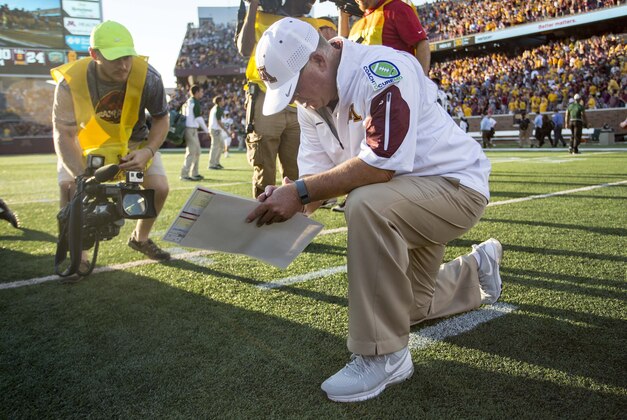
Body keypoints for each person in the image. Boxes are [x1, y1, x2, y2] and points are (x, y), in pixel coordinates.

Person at [246, 18, 503, 403]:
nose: (296, 100)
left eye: (295, 88)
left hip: (455, 188)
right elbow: (316, 180)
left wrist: (299, 193)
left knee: (364, 204)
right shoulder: (312, 106)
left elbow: (380, 164)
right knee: (407, 308)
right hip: (405, 201)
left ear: (318, 60)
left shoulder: (383, 69)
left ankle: (383, 355)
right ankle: (476, 268)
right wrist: (286, 200)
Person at [51, 20, 170, 261]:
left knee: (159, 188)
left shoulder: (149, 76)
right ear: (94, 54)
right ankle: (77, 254)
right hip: (86, 143)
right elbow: (63, 133)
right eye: (115, 58)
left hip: (133, 142)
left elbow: (161, 118)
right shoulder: (69, 83)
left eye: (127, 56)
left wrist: (148, 151)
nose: (124, 65)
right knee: (70, 189)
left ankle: (141, 238)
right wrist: (81, 175)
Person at [236, 0, 334, 197]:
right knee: (264, 164)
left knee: (298, 166)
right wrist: (253, 6)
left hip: (300, 100)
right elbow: (244, 49)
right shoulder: (259, 16)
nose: (312, 2)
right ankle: (263, 214)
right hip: (266, 95)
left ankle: (295, 219)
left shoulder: (313, 23)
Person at [339, 0, 430, 76]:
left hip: (398, 89)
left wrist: (422, 82)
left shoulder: (397, 8)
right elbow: (343, 54)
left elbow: (421, 43)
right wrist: (343, 17)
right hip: (367, 93)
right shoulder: (357, 25)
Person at [180, 84, 209, 181]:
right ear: (196, 93)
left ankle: (194, 173)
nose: (202, 93)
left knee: (197, 152)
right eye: (201, 92)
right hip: (190, 129)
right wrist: (207, 130)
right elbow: (199, 118)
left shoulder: (189, 101)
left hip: (191, 129)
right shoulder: (194, 102)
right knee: (192, 152)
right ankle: (184, 174)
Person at [208, 96, 229, 170]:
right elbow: (219, 122)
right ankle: (212, 164)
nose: (224, 102)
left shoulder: (215, 108)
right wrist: (226, 131)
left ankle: (216, 163)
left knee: (221, 146)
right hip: (215, 130)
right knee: (215, 147)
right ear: (219, 102)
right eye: (223, 100)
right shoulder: (218, 109)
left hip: (215, 129)